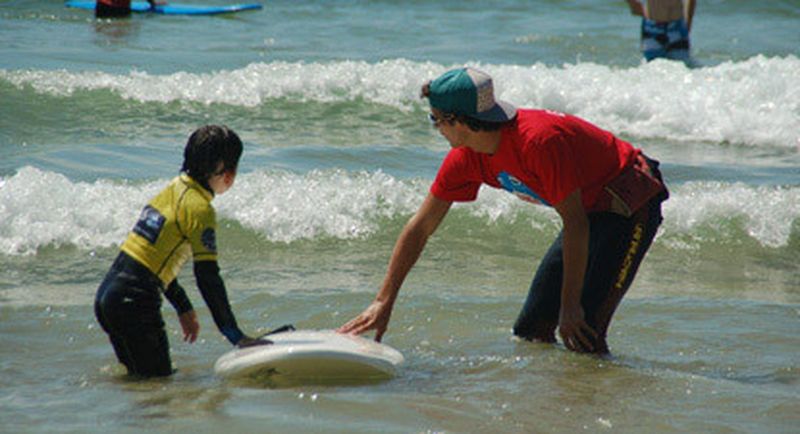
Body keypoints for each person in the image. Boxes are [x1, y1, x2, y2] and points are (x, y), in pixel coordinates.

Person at [338, 67, 669, 354]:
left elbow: (576, 224)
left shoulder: (538, 143)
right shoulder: (465, 158)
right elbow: (421, 227)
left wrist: (570, 307)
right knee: (531, 330)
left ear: (458, 121)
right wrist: (384, 301)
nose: (436, 128)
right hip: (586, 210)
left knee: (584, 333)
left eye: (435, 119)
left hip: (628, 200)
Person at [95, 125, 269, 377]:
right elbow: (207, 277)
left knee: (141, 385)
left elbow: (149, 260)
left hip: (108, 298)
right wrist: (235, 335)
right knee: (159, 387)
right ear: (228, 174)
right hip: (134, 302)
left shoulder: (172, 190)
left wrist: (183, 305)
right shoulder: (199, 208)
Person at [625, 0, 697, 63]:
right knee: (653, 71)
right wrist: (633, 4)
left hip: (677, 27)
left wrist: (688, 22)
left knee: (683, 71)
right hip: (653, 28)